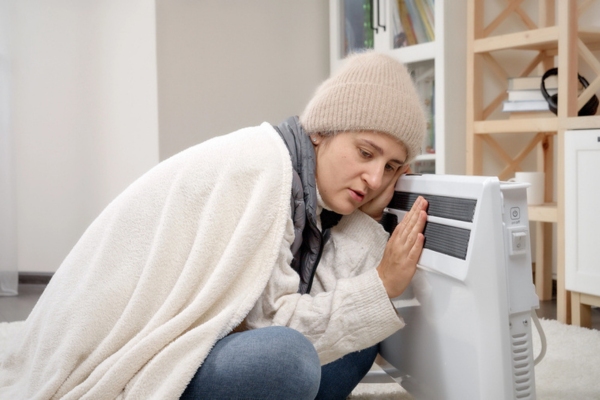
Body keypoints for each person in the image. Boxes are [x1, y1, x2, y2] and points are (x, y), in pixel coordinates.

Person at [0, 51, 428, 400]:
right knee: (287, 358)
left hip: (208, 344)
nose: (375, 179)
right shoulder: (265, 169)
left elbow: (318, 310)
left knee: (360, 340)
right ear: (321, 132)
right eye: (365, 152)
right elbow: (272, 325)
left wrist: (364, 224)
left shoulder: (306, 192)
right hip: (139, 355)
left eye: (391, 167)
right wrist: (382, 285)